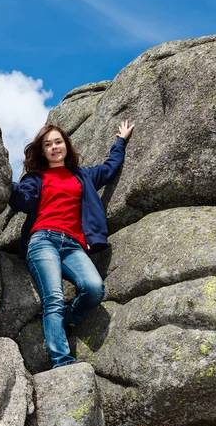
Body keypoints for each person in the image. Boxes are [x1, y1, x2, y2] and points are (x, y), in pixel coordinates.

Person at [9, 120, 134, 368]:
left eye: (58, 141)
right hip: (43, 240)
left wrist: (121, 141)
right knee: (53, 298)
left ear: (66, 144)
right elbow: (21, 200)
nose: (54, 147)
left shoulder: (83, 176)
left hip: (73, 246)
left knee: (94, 288)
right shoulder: (36, 179)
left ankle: (67, 318)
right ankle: (62, 362)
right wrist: (5, 180)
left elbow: (110, 168)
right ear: (43, 151)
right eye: (48, 144)